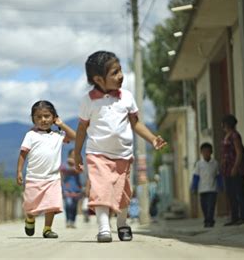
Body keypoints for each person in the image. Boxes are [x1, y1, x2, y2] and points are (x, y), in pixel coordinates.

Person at [74, 51, 167, 243]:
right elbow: (82, 128)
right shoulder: (88, 100)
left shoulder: (126, 97)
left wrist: (152, 139)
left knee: (123, 192)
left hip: (123, 154)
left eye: (120, 70)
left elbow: (136, 124)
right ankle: (104, 228)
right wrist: (77, 154)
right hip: (97, 153)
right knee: (100, 190)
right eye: (115, 73)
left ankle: (122, 224)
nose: (121, 76)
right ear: (98, 79)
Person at [16, 100, 76, 238]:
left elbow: (74, 137)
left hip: (52, 178)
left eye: (47, 116)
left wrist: (61, 125)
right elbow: (23, 154)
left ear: (54, 117)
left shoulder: (58, 135)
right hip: (33, 177)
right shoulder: (31, 135)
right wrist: (19, 171)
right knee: (31, 205)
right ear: (33, 119)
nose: (43, 120)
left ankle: (47, 229)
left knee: (52, 205)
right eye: (38, 117)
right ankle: (30, 218)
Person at [221, 114, 244, 226]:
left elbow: (239, 152)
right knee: (230, 193)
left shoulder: (235, 136)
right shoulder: (226, 136)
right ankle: (234, 217)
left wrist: (235, 167)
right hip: (227, 169)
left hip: (236, 168)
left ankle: (243, 216)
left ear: (226, 124)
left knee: (239, 192)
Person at [191, 142, 220, 228]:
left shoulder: (215, 163)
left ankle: (210, 221)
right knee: (204, 206)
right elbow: (196, 176)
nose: (206, 154)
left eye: (208, 151)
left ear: (211, 152)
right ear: (201, 153)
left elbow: (218, 176)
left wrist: (221, 186)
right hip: (202, 189)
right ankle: (206, 219)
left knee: (211, 206)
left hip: (212, 188)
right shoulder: (199, 164)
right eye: (204, 152)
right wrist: (194, 187)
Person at [60, 149, 83, 228]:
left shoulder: (78, 164)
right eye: (72, 154)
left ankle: (73, 221)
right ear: (69, 155)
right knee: (68, 205)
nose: (74, 155)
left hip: (76, 188)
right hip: (67, 188)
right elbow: (62, 170)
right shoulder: (65, 164)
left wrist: (75, 164)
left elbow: (80, 170)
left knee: (74, 207)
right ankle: (68, 220)